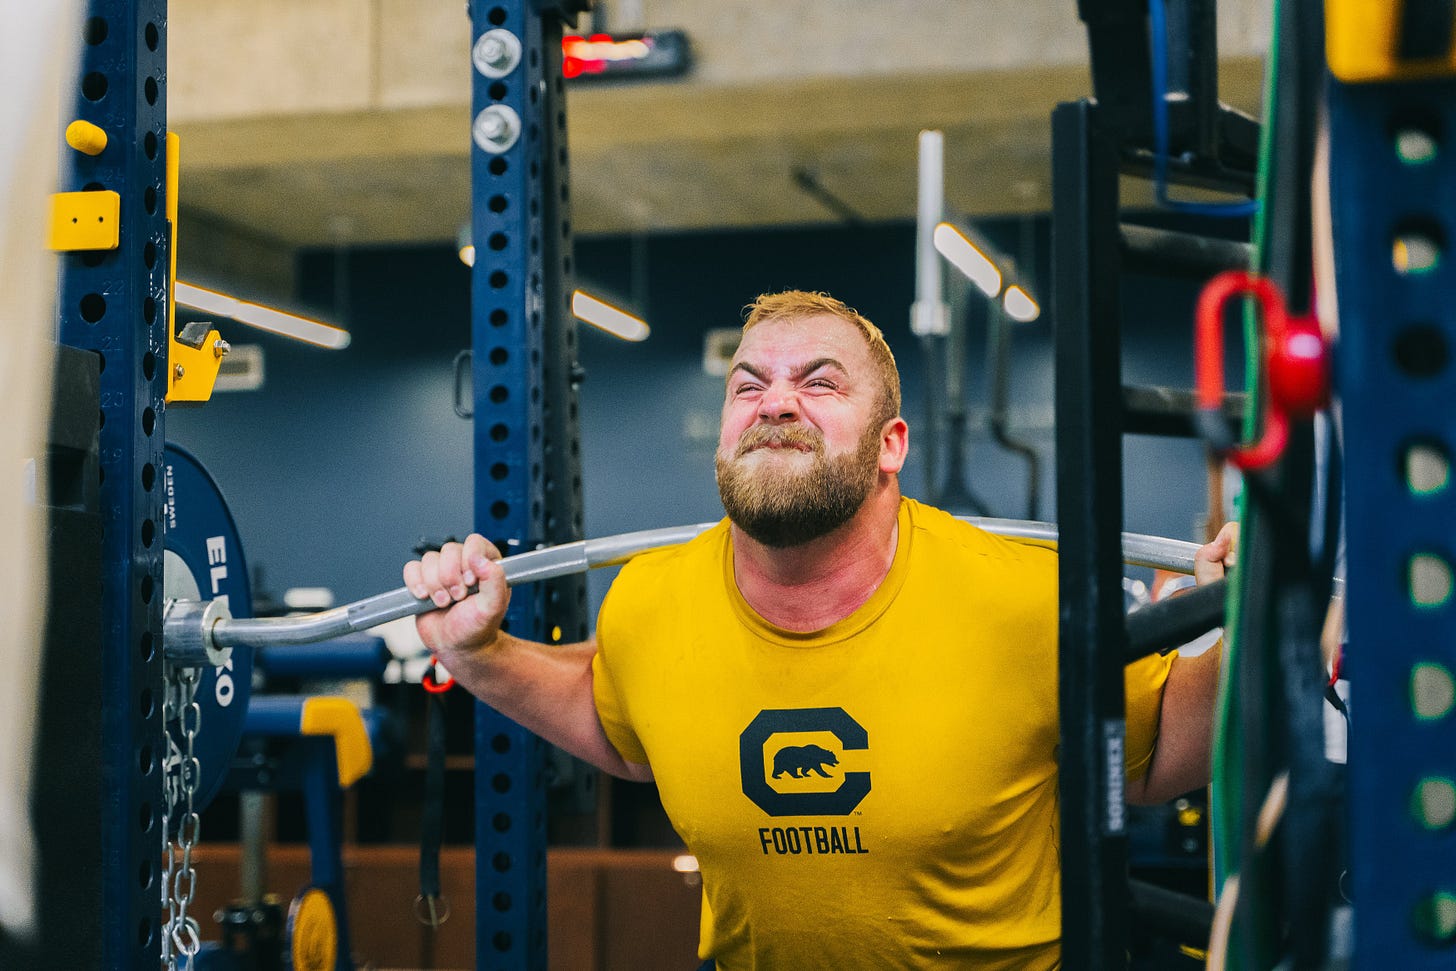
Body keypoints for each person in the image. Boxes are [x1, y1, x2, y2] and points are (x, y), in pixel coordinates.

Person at [403, 290, 1235, 970]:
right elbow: (617, 723)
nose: (776, 402)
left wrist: (1253, 624)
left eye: (821, 382)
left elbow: (1159, 751)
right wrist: (478, 653)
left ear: (890, 446)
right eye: (747, 385)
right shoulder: (649, 600)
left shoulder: (1028, 598)